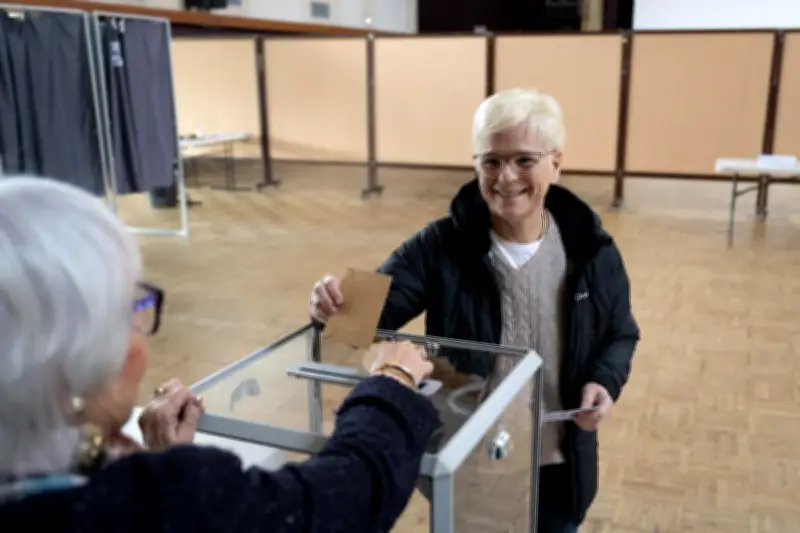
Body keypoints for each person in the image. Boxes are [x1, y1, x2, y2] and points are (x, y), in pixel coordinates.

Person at [0, 177, 440, 532]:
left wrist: (155, 465)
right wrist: (391, 380)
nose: (139, 343)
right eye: (129, 313)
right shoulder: (172, 501)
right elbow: (344, 498)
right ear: (76, 362)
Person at [310, 88, 640, 532]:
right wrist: (331, 306)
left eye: (524, 160)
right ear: (475, 165)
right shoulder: (439, 244)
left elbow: (620, 334)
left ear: (555, 164)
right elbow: (353, 321)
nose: (505, 178)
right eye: (491, 161)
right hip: (469, 461)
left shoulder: (591, 251)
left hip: (559, 463)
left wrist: (605, 380)